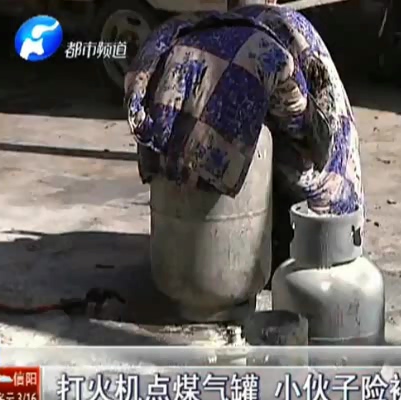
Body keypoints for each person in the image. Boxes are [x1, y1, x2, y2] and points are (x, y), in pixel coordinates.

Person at [124, 4, 363, 271]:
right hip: (271, 76)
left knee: (284, 167)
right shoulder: (185, 42)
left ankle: (273, 249)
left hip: (322, 165)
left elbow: (312, 139)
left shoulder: (277, 60)